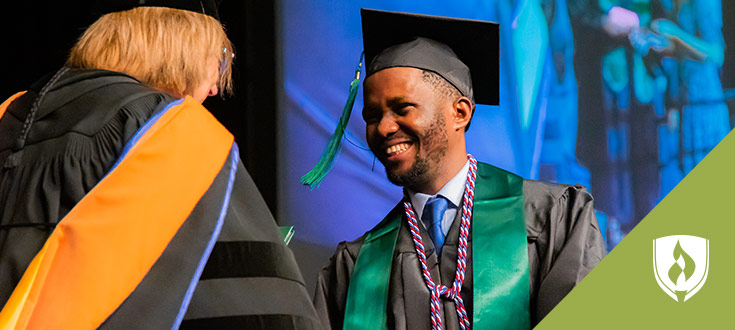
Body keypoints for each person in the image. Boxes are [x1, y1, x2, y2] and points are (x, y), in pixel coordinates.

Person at [0, 4, 320, 329]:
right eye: (221, 57)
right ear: (180, 45)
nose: (213, 88)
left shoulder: (12, 114)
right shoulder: (170, 130)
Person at [312, 9, 606, 329]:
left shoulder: (553, 218)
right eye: (372, 116)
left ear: (460, 112)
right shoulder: (356, 266)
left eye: (402, 108)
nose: (383, 128)